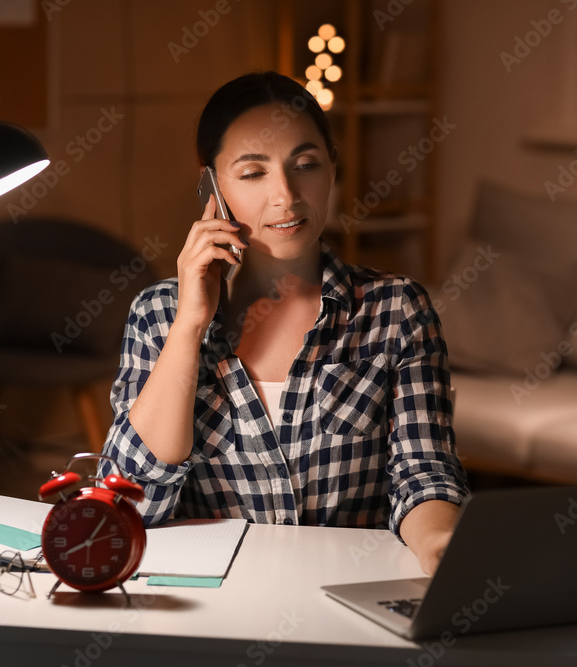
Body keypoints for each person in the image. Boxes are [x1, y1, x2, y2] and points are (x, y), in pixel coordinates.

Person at [100, 71, 468, 576]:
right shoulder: (157, 315)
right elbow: (127, 506)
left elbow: (424, 474)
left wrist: (439, 545)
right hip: (210, 612)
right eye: (253, 173)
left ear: (333, 169)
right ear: (212, 185)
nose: (286, 195)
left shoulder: (396, 310)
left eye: (306, 165)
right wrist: (189, 326)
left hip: (343, 601)